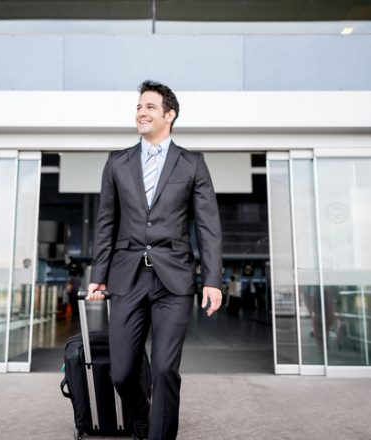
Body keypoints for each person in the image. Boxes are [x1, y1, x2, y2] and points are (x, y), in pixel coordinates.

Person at [87, 80, 223, 440]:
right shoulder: (117, 162)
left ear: (169, 114)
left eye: (149, 107)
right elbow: (106, 223)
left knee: (164, 369)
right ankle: (144, 419)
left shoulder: (192, 163)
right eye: (138, 107)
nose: (141, 113)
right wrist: (97, 275)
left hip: (174, 279)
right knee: (121, 372)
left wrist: (213, 280)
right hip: (126, 277)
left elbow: (208, 226)